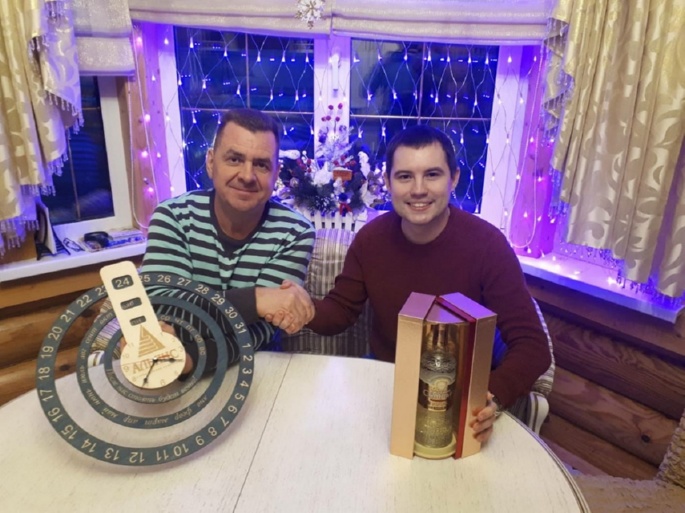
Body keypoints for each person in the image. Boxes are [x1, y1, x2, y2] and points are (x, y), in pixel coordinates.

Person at [304, 125, 552, 444]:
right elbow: (340, 312)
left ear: (454, 179)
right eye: (405, 176)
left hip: (460, 392)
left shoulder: (487, 245)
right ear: (388, 182)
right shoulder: (370, 240)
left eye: (432, 175)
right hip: (387, 375)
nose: (418, 189)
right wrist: (302, 308)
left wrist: (490, 395)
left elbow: (532, 346)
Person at [140, 108, 315, 375]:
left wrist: (189, 359)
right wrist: (258, 300)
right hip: (166, 374)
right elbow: (162, 310)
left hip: (258, 369)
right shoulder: (173, 216)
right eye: (234, 159)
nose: (247, 175)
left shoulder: (295, 231)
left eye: (261, 164)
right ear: (211, 162)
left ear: (276, 173)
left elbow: (261, 330)